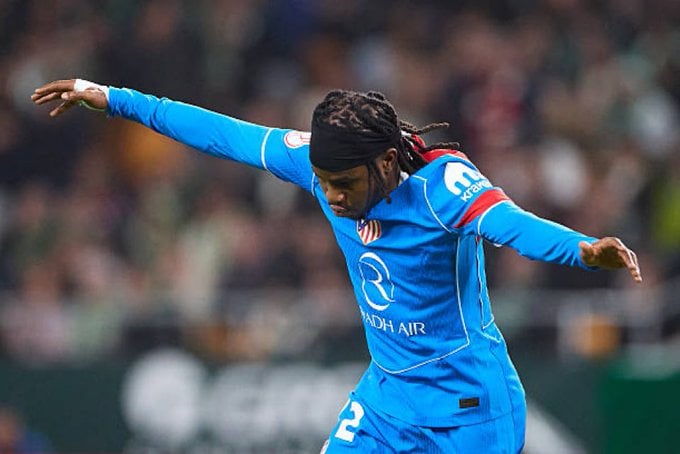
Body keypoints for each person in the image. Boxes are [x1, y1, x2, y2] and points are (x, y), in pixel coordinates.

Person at [32, 79, 642, 453]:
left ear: (385, 164)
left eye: (344, 183)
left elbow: (511, 224)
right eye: (323, 182)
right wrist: (115, 100)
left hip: (470, 410)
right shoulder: (319, 166)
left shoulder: (442, 187)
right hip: (388, 400)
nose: (332, 196)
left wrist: (584, 250)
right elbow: (223, 135)